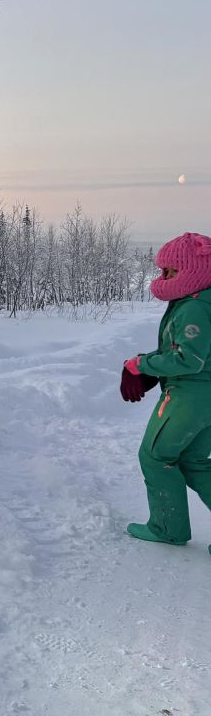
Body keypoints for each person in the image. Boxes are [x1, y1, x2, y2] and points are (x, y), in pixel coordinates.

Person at [122, 232, 211, 552]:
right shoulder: (202, 301)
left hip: (190, 395)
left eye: (172, 272)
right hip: (204, 396)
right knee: (195, 461)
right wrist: (152, 366)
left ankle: (167, 527)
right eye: (163, 271)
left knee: (156, 455)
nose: (165, 278)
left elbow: (189, 358)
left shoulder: (195, 308)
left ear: (195, 271)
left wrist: (141, 364)